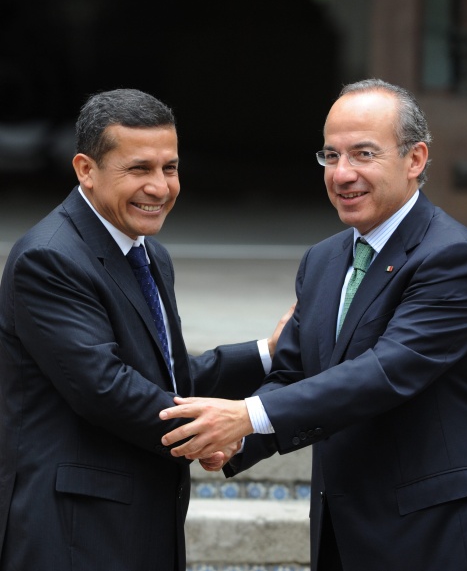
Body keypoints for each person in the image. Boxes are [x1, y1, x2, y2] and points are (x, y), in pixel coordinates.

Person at [159, 79, 467, 571]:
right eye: (331, 155)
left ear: (415, 159)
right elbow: (294, 373)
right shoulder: (323, 260)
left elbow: (382, 373)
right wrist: (242, 440)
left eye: (363, 154)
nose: (342, 174)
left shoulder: (455, 259)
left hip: (433, 535)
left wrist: (246, 415)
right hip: (341, 534)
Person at [0, 88, 292, 571]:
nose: (160, 187)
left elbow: (169, 379)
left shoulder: (148, 253)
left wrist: (268, 352)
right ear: (85, 170)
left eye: (169, 168)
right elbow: (106, 388)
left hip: (139, 520)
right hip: (75, 535)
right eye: (139, 169)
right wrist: (215, 432)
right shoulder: (49, 257)